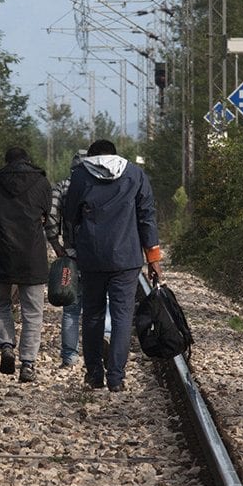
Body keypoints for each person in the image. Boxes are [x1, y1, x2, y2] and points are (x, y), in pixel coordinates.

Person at [63, 139, 163, 392]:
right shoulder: (135, 174)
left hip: (92, 258)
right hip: (126, 259)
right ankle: (116, 378)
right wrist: (153, 259)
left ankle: (94, 375)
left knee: (93, 315)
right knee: (121, 317)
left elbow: (70, 215)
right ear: (115, 155)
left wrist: (72, 247)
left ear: (92, 156)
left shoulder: (81, 175)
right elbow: (147, 217)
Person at [0, 147, 52, 383]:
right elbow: (47, 216)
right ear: (28, 161)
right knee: (33, 312)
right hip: (31, 254)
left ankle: (7, 346)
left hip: (0, 252)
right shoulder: (41, 183)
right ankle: (28, 363)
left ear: (6, 162)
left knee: (1, 303)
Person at [45, 150, 87, 368]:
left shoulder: (61, 187)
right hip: (99, 256)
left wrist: (56, 245)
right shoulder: (101, 186)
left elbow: (51, 218)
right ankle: (103, 339)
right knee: (101, 303)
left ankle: (70, 356)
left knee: (71, 307)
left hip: (71, 254)